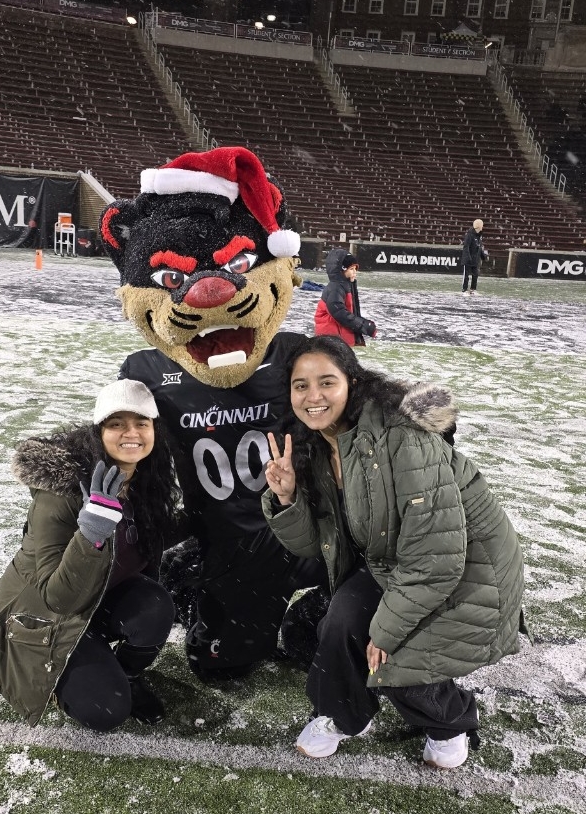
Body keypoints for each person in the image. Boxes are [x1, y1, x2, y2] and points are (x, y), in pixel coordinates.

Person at [101, 146, 329, 681]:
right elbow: (117, 445)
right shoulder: (145, 371)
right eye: (172, 279)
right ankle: (196, 581)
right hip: (225, 539)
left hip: (304, 529)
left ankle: (323, 606)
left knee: (338, 617)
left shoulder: (295, 355)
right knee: (220, 667)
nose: (210, 290)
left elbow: (361, 418)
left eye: (238, 266)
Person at [262, 335, 526, 769]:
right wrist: (288, 498)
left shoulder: (401, 437)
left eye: (326, 382)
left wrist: (384, 632)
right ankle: (344, 715)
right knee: (337, 624)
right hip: (395, 563)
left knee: (390, 654)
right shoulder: (316, 445)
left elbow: (436, 558)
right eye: (300, 385)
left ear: (352, 382)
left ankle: (450, 721)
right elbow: (315, 545)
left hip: (470, 571)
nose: (313, 396)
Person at [0, 380, 182, 731]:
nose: (132, 433)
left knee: (154, 603)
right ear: (98, 432)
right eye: (117, 424)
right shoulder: (62, 493)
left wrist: (219, 513)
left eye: (142, 423)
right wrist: (92, 530)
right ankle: (68, 677)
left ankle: (126, 674)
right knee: (104, 711)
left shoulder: (145, 479)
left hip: (98, 596)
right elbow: (59, 599)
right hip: (46, 616)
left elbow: (143, 539)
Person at [314, 249, 376, 346]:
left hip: (339, 338)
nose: (355, 272)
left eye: (355, 269)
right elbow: (340, 313)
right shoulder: (335, 288)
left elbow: (351, 311)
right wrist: (363, 325)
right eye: (351, 269)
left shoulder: (347, 285)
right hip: (330, 340)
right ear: (341, 270)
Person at [461, 219, 488, 295]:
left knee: (475, 275)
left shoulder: (479, 235)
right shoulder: (469, 235)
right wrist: (468, 257)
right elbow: (466, 247)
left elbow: (479, 247)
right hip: (468, 259)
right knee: (466, 276)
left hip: (475, 259)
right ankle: (464, 289)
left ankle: (473, 289)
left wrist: (483, 256)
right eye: (481, 225)